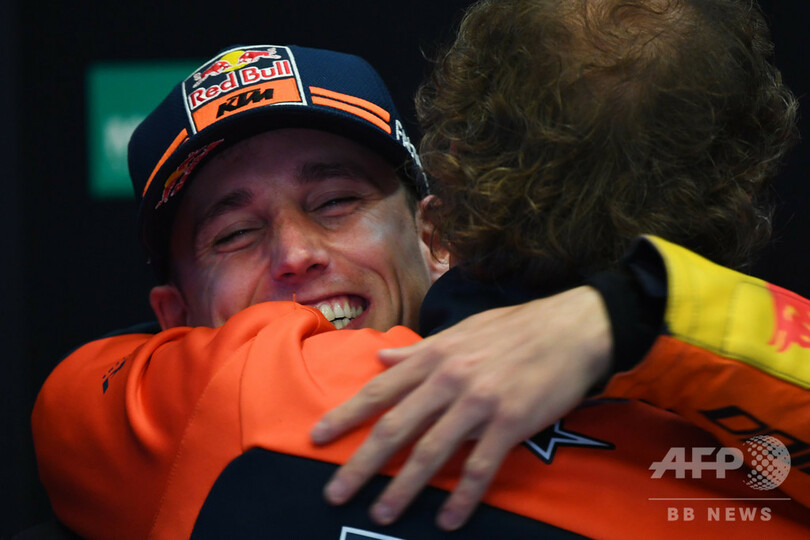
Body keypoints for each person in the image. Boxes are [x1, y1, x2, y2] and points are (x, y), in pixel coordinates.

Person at [31, 27, 808, 540]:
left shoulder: (698, 446)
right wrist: (644, 308)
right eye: (234, 234)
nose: (295, 252)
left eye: (336, 202)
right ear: (172, 321)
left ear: (437, 238)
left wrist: (613, 321)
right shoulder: (213, 398)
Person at [311, 0, 810, 531]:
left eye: (336, 203)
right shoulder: (768, 483)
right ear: (740, 190)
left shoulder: (268, 378)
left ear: (446, 193)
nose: (299, 254)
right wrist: (632, 311)